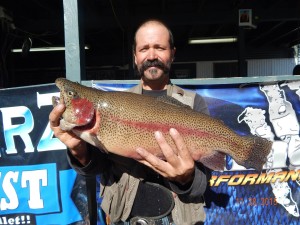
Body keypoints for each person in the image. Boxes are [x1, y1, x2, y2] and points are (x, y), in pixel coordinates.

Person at [49, 19, 210, 225]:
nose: (152, 56)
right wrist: (79, 151)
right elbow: (99, 166)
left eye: (160, 48)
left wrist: (186, 178)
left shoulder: (194, 103)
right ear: (135, 56)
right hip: (124, 217)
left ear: (172, 53)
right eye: (144, 49)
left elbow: (202, 184)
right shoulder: (116, 104)